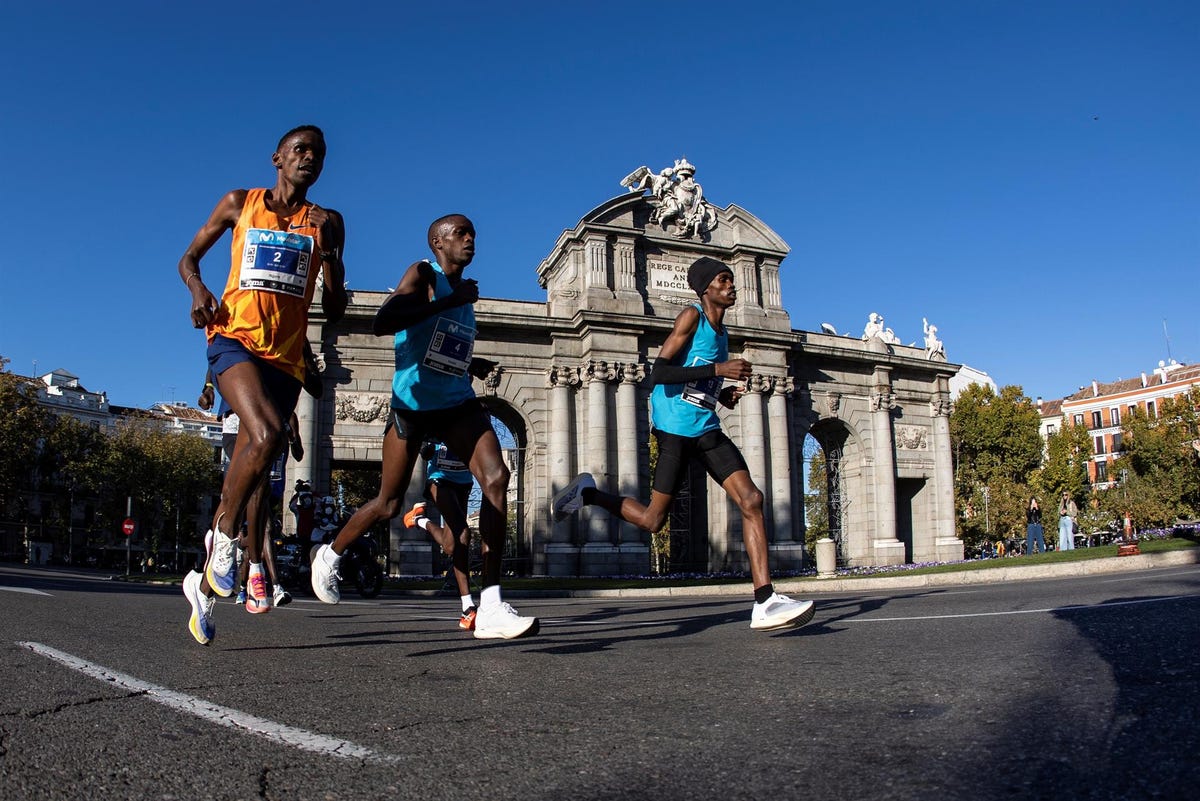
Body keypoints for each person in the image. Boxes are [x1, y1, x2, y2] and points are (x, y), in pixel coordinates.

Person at [553, 256, 815, 632]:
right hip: (675, 427)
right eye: (724, 280)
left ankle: (765, 600)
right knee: (652, 520)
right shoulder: (690, 317)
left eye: (731, 280)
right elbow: (659, 372)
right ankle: (590, 495)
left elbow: (696, 380)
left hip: (706, 425)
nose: (731, 286)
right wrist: (718, 370)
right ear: (706, 287)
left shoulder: (722, 332)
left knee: (751, 499)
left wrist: (720, 394)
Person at [310, 213, 538, 640]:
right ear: (437, 242)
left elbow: (439, 350)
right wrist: (448, 302)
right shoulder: (423, 273)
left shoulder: (464, 298)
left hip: (456, 403)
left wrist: (474, 363)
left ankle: (489, 603)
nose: (470, 240)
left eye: (473, 233)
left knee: (496, 477)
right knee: (388, 503)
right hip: (413, 407)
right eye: (460, 234)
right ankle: (330, 554)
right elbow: (385, 321)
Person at [179, 124, 347, 646]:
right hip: (233, 340)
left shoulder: (329, 222)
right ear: (277, 157)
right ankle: (222, 537)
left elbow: (336, 308)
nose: (309, 159)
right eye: (300, 150)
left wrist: (332, 253)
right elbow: (188, 259)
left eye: (317, 155)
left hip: (287, 360)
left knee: (259, 468)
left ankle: (203, 590)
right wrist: (198, 289)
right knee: (267, 434)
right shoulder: (239, 202)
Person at [404, 438, 477, 630]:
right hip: (440, 479)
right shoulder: (443, 411)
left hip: (464, 481)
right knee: (463, 533)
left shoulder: (477, 414)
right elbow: (425, 444)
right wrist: (425, 448)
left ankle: (419, 520)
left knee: (450, 545)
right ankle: (468, 608)